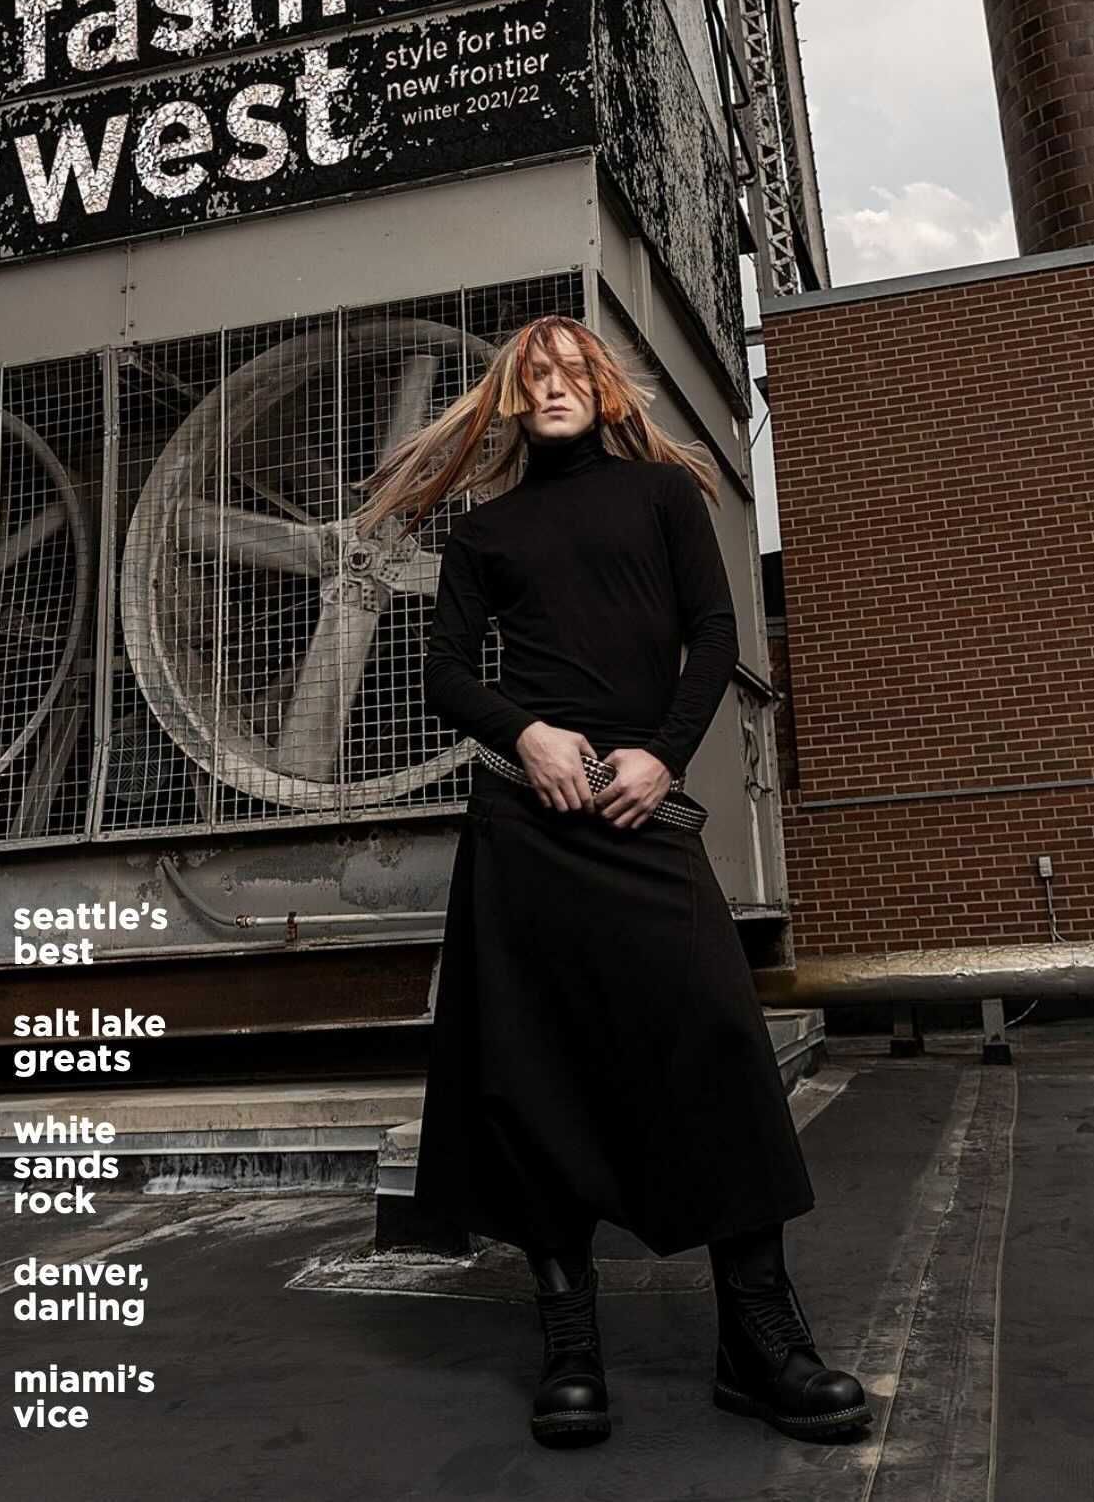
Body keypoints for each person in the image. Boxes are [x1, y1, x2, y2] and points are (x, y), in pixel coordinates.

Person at [355, 316, 870, 1450]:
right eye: (532, 375)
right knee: (536, 1073)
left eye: (570, 371)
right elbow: (445, 673)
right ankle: (570, 1346)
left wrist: (663, 755)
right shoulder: (486, 530)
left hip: (640, 812)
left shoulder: (661, 496)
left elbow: (713, 632)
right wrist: (525, 732)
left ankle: (759, 1343)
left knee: (717, 1045)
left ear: (604, 389)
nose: (552, 386)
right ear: (509, 398)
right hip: (525, 825)